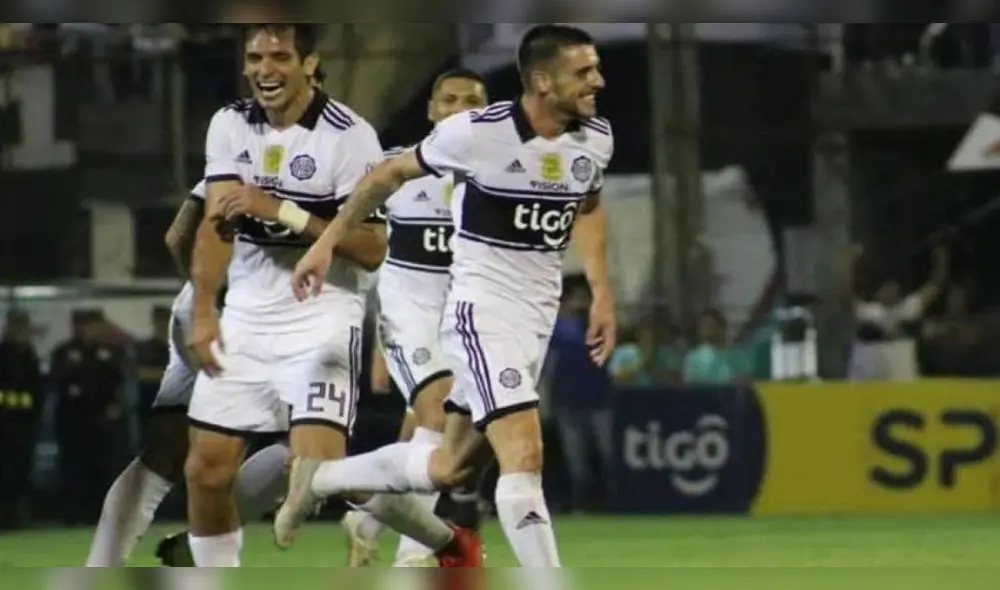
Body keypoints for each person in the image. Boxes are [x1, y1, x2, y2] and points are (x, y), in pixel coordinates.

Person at [281, 24, 615, 569]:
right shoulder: (479, 134)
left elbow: (591, 207)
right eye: (584, 72)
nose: (597, 80)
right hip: (483, 316)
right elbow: (388, 173)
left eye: (595, 69)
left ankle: (323, 477)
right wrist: (325, 243)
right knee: (524, 456)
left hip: (534, 322)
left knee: (450, 466)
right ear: (541, 81)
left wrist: (602, 293)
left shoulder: (595, 137)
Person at [183, 23, 477, 568]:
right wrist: (203, 309)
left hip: (322, 315)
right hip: (246, 314)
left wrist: (282, 211)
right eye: (255, 58)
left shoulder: (349, 136)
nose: (265, 69)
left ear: (309, 64)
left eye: (280, 57)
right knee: (206, 470)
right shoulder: (229, 124)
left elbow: (372, 247)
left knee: (320, 473)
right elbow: (215, 223)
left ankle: (445, 542)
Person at [339, 68, 491, 568]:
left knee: (444, 442)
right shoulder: (394, 169)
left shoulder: (501, 176)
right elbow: (366, 249)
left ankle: (368, 513)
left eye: (472, 102)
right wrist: (377, 344)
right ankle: (414, 555)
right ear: (431, 110)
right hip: (410, 317)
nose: (460, 110)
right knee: (437, 419)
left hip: (467, 324)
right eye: (449, 100)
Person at [52, 309, 126, 525]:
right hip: (73, 419)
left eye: (94, 326)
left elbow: (119, 383)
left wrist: (115, 407)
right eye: (85, 326)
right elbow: (56, 382)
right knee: (74, 466)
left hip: (103, 419)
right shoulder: (65, 352)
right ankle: (74, 513)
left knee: (103, 465)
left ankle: (101, 513)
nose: (90, 331)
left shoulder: (110, 352)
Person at [0, 310, 43, 529]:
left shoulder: (29, 355)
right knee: (4, 472)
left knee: (21, 470)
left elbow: (37, 390)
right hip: (4, 424)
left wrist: (32, 413)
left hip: (24, 425)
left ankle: (18, 515)